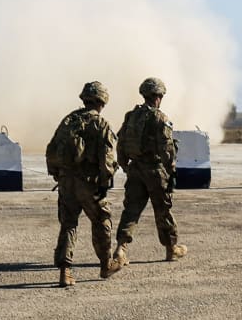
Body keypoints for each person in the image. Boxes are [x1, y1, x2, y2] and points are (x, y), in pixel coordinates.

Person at [45, 81, 122, 287]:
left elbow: (51, 150)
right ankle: (106, 264)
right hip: (88, 184)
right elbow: (106, 161)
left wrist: (57, 175)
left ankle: (65, 271)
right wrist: (105, 182)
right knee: (101, 220)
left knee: (69, 224)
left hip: (66, 182)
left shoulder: (69, 120)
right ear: (101, 101)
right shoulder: (101, 124)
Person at [113, 77, 187, 264]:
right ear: (158, 96)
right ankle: (171, 249)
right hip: (155, 171)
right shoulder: (160, 118)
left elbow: (121, 142)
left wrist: (125, 165)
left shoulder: (131, 116)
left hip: (135, 169)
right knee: (163, 210)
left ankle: (121, 249)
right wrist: (171, 170)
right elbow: (167, 148)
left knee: (131, 211)